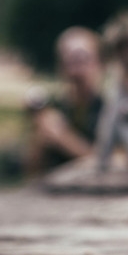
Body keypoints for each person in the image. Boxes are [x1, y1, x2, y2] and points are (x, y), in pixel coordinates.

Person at [26, 27, 104, 174]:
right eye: (70, 61)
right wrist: (38, 136)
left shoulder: (111, 109)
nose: (77, 70)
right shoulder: (53, 108)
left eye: (83, 59)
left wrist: (63, 138)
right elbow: (32, 172)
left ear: (99, 63)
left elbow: (114, 162)